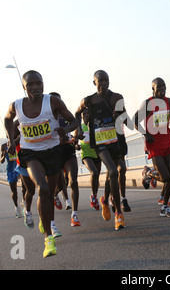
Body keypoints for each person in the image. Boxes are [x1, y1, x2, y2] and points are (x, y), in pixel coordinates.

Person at [4, 70, 78, 257]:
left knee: (50, 193)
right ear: (24, 87)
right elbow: (7, 119)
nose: (35, 87)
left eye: (38, 83)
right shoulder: (17, 105)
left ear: (43, 84)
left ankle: (44, 219)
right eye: (31, 84)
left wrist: (65, 129)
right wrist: (11, 141)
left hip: (52, 152)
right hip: (30, 154)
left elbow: (74, 121)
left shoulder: (53, 102)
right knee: (42, 189)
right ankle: (48, 240)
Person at [75, 70, 130, 230]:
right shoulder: (89, 100)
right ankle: (119, 214)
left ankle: (105, 200)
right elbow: (77, 113)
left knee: (114, 173)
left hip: (116, 141)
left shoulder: (116, 97)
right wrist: (78, 128)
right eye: (101, 81)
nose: (104, 83)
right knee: (113, 171)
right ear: (95, 83)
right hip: (99, 143)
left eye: (107, 80)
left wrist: (139, 128)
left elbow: (125, 117)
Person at [133, 77, 170, 217]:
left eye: (164, 86)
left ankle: (164, 207)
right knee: (165, 176)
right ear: (153, 89)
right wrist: (145, 134)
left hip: (167, 141)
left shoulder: (169, 101)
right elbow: (135, 121)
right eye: (159, 86)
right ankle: (148, 173)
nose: (162, 88)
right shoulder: (148, 103)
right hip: (154, 143)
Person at [49, 92, 80, 227]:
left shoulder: (65, 114)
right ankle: (55, 197)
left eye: (59, 101)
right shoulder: (45, 117)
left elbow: (76, 124)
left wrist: (77, 136)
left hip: (67, 149)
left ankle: (74, 214)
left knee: (72, 181)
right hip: (52, 152)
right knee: (59, 184)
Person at [74, 109, 102, 210]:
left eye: (88, 113)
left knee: (97, 176)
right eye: (84, 114)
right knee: (94, 173)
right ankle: (94, 197)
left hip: (97, 153)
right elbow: (74, 141)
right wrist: (76, 145)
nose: (86, 115)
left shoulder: (96, 125)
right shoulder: (80, 127)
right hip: (86, 154)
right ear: (81, 116)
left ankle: (94, 195)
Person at [0, 142, 24, 217]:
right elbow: (1, 161)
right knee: (14, 192)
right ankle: (17, 207)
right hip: (11, 171)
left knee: (25, 187)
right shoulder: (3, 146)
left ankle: (24, 201)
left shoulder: (17, 142)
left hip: (19, 168)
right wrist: (4, 156)